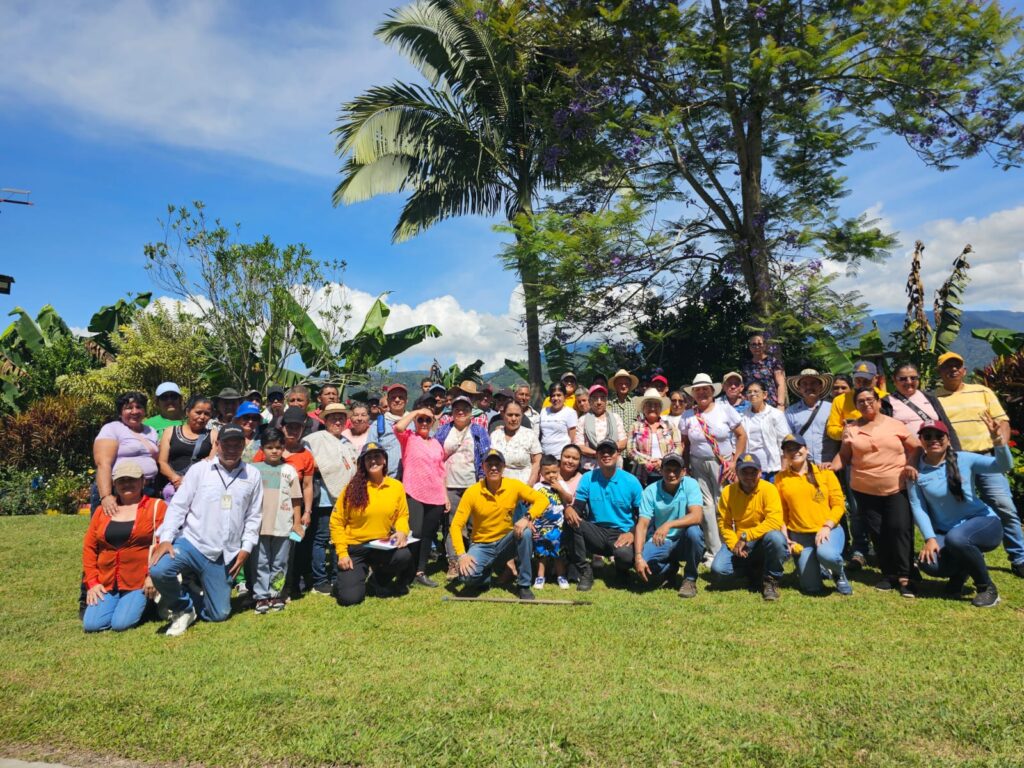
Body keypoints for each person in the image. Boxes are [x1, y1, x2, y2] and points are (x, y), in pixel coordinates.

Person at [149, 425, 263, 636]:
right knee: (159, 569)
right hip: (192, 543)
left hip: (224, 552)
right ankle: (181, 607)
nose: (231, 448)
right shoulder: (199, 470)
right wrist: (166, 539)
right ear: (217, 445)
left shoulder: (253, 475)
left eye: (237, 444)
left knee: (219, 613)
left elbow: (254, 516)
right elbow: (178, 506)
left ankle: (191, 598)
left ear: (243, 446)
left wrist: (246, 548)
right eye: (226, 443)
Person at [934, 350, 1024, 578]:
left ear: (963, 370)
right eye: (947, 367)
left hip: (984, 457)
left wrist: (1000, 443)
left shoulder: (982, 391)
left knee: (1004, 505)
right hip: (954, 462)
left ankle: (1019, 557)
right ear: (940, 372)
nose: (952, 370)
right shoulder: (934, 398)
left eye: (957, 366)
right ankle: (968, 554)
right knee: (960, 511)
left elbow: (1002, 421)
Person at [910, 418, 1009, 608]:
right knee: (928, 563)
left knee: (957, 539)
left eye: (939, 435)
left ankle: (986, 587)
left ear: (948, 439)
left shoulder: (965, 459)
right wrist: (930, 538)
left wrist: (999, 443)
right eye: (927, 436)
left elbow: (1002, 466)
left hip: (984, 523)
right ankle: (962, 570)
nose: (934, 440)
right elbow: (918, 507)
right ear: (921, 440)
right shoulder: (915, 471)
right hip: (948, 532)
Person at [835, 387, 921, 597]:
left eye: (870, 399)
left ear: (879, 402)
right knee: (878, 531)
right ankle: (889, 574)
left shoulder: (895, 424)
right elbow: (844, 456)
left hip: (896, 487)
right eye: (861, 401)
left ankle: (906, 574)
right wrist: (829, 466)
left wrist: (911, 464)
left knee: (900, 529)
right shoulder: (851, 429)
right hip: (864, 489)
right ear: (856, 406)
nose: (866, 404)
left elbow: (916, 447)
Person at [451, 448, 549, 600]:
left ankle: (523, 585)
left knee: (526, 532)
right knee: (466, 577)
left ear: (504, 467)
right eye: (489, 464)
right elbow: (456, 525)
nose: (494, 468)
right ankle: (485, 576)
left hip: (506, 542)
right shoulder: (472, 492)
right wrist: (462, 555)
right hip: (481, 544)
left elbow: (542, 500)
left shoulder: (514, 485)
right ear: (483, 467)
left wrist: (527, 517)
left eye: (498, 464)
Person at [81, 461, 166, 632]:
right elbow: (90, 547)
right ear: (114, 484)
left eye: (132, 480)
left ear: (143, 482)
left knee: (121, 624)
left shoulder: (156, 507)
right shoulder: (102, 511)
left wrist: (152, 576)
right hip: (107, 581)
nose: (127, 484)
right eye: (121, 480)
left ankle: (148, 604)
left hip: (139, 581)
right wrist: (92, 582)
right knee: (91, 625)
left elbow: (163, 543)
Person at [329, 442, 415, 606]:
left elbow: (402, 515)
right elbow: (336, 522)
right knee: (350, 599)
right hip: (354, 546)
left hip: (381, 545)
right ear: (362, 463)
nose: (373, 461)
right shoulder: (351, 489)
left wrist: (402, 531)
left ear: (384, 460)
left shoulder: (396, 486)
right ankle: (344, 583)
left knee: (403, 556)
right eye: (368, 458)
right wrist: (342, 553)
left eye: (377, 456)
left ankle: (377, 581)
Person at [679, 373, 748, 558]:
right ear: (693, 393)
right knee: (706, 506)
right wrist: (685, 468)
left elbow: (742, 435)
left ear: (712, 391)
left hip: (723, 464)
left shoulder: (725, 410)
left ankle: (731, 546)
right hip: (698, 465)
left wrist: (734, 462)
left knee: (723, 503)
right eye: (698, 390)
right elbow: (685, 444)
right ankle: (713, 550)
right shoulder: (687, 416)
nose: (702, 393)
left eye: (705, 389)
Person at [775, 434, 851, 595]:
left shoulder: (824, 473)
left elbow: (839, 504)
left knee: (827, 555)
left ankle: (838, 572)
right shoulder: (781, 479)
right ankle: (819, 568)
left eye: (798, 447)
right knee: (811, 588)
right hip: (800, 536)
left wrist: (827, 526)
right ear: (785, 455)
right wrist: (786, 537)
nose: (794, 452)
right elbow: (781, 512)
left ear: (806, 449)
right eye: (789, 449)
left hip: (828, 531)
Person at [563, 439, 644, 591]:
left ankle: (622, 572)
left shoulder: (631, 481)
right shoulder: (588, 478)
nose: (606, 455)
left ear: (617, 455)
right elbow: (578, 508)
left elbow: (643, 516)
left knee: (624, 556)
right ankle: (585, 571)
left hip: (621, 533)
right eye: (602, 452)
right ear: (597, 456)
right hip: (596, 531)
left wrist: (632, 533)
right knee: (570, 521)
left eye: (610, 452)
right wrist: (569, 509)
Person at [711, 453, 787, 601]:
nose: (749, 476)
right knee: (719, 570)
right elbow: (724, 523)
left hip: (761, 540)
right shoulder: (728, 492)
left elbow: (775, 521)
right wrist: (733, 545)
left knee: (776, 538)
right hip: (739, 543)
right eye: (744, 472)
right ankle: (754, 572)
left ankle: (771, 580)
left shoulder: (769, 489)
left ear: (760, 473)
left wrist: (747, 536)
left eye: (753, 472)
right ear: (737, 472)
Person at [302, 403, 358, 596]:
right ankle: (319, 580)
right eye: (333, 417)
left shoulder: (346, 442)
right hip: (324, 498)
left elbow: (352, 467)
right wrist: (330, 467)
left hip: (344, 499)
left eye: (341, 417)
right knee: (322, 539)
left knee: (339, 538)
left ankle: (337, 575)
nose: (337, 421)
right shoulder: (314, 439)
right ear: (325, 420)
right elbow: (309, 464)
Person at [633, 453, 705, 598]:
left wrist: (669, 524)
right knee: (645, 571)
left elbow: (697, 516)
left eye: (676, 470)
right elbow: (642, 525)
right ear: (661, 471)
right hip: (661, 541)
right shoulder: (650, 490)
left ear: (683, 472)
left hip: (684, 540)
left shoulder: (691, 484)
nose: (672, 474)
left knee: (694, 532)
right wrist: (638, 557)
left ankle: (690, 579)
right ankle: (669, 569)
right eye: (668, 469)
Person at [394, 401, 449, 588]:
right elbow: (399, 426)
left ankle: (420, 571)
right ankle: (406, 570)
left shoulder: (436, 444)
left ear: (433, 423)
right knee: (414, 533)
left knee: (428, 535)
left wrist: (445, 496)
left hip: (435, 495)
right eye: (421, 420)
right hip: (414, 492)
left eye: (428, 420)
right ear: (415, 421)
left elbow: (441, 471)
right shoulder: (408, 438)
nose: (424, 423)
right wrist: (417, 411)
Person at [436, 395, 491, 578]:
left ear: (471, 412)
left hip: (472, 485)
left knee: (474, 524)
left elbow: (485, 457)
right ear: (451, 412)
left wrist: (483, 483)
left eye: (465, 408)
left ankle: (475, 559)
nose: (461, 411)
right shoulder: (444, 430)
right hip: (450, 485)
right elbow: (435, 457)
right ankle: (453, 562)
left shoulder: (478, 431)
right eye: (457, 408)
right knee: (453, 525)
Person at [250, 428, 303, 614]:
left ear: (284, 448)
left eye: (278, 447)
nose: (274, 451)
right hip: (260, 525)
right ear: (262, 448)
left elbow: (297, 499)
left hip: (283, 524)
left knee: (280, 562)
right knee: (260, 562)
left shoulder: (290, 471)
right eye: (270, 447)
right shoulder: (254, 470)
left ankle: (276, 593)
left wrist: (297, 523)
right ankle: (261, 596)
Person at [93, 391, 161, 515]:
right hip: (120, 490)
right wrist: (106, 496)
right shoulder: (112, 428)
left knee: (144, 530)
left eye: (139, 407)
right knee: (113, 530)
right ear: (120, 413)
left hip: (147, 489)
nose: (134, 411)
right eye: (129, 408)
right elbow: (103, 464)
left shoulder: (150, 431)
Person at [157, 395, 216, 501]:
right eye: (198, 412)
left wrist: (189, 482)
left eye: (207, 414)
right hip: (173, 487)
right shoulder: (170, 431)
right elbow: (162, 462)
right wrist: (176, 479)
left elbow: (212, 462)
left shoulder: (213, 434)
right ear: (188, 412)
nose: (202, 417)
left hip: (200, 488)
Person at [531, 455, 570, 590]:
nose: (551, 475)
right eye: (547, 472)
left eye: (554, 472)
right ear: (541, 473)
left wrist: (560, 489)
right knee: (541, 553)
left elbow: (569, 499)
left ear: (559, 470)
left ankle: (561, 576)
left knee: (558, 552)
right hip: (540, 525)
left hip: (557, 526)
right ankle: (540, 576)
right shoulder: (537, 487)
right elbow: (532, 505)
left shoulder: (562, 484)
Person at [825, 360, 888, 442]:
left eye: (866, 381)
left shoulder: (885, 398)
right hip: (853, 448)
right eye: (858, 380)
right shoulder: (840, 400)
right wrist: (847, 431)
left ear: (876, 379)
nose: (862, 384)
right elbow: (832, 429)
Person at [628, 388, 680, 484]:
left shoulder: (669, 426)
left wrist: (663, 462)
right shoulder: (635, 426)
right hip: (641, 474)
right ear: (643, 408)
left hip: (667, 473)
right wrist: (647, 461)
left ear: (660, 408)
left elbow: (678, 447)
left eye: (656, 405)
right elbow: (631, 450)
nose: (652, 408)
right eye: (649, 405)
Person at [740, 382, 790, 480]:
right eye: (749, 392)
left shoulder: (776, 414)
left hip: (772, 467)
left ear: (765, 395)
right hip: (750, 467)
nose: (752, 394)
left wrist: (784, 467)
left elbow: (784, 441)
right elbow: (738, 440)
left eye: (756, 391)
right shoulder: (742, 416)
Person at [784, 369, 834, 464]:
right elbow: (788, 440)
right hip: (803, 466)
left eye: (813, 383)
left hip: (828, 465)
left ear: (820, 386)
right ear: (799, 388)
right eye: (804, 384)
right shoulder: (791, 412)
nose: (809, 387)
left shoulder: (832, 408)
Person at [488, 401, 542, 485]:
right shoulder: (495, 435)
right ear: (503, 415)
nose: (513, 419)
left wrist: (530, 484)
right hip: (498, 487)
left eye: (517, 415)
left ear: (522, 416)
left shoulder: (530, 435)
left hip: (523, 487)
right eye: (510, 415)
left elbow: (537, 462)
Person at [575, 384, 627, 472]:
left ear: (606, 401)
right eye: (595, 398)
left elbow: (623, 442)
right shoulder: (582, 420)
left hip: (614, 466)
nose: (599, 402)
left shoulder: (615, 417)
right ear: (590, 401)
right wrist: (599, 454)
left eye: (602, 398)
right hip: (590, 468)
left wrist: (607, 451)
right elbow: (579, 446)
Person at [368, 382, 408, 478]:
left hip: (411, 480)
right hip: (388, 479)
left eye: (401, 397)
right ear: (388, 400)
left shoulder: (415, 421)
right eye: (393, 397)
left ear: (407, 400)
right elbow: (370, 451)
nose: (397, 400)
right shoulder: (378, 424)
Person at [741, 334, 787, 409]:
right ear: (750, 347)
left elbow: (781, 384)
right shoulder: (746, 365)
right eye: (753, 344)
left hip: (771, 405)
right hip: (751, 406)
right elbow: (744, 386)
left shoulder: (773, 362)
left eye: (759, 344)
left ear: (764, 346)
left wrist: (781, 404)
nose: (757, 347)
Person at [539, 382, 578, 459]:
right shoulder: (543, 411)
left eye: (559, 395)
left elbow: (572, 439)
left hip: (561, 457)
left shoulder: (570, 412)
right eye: (553, 395)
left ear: (565, 397)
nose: (556, 398)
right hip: (545, 456)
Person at [607, 369, 640, 437]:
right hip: (615, 444)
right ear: (615, 385)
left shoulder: (636, 403)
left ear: (630, 385)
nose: (623, 386)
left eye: (626, 383)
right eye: (620, 383)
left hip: (633, 444)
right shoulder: (609, 404)